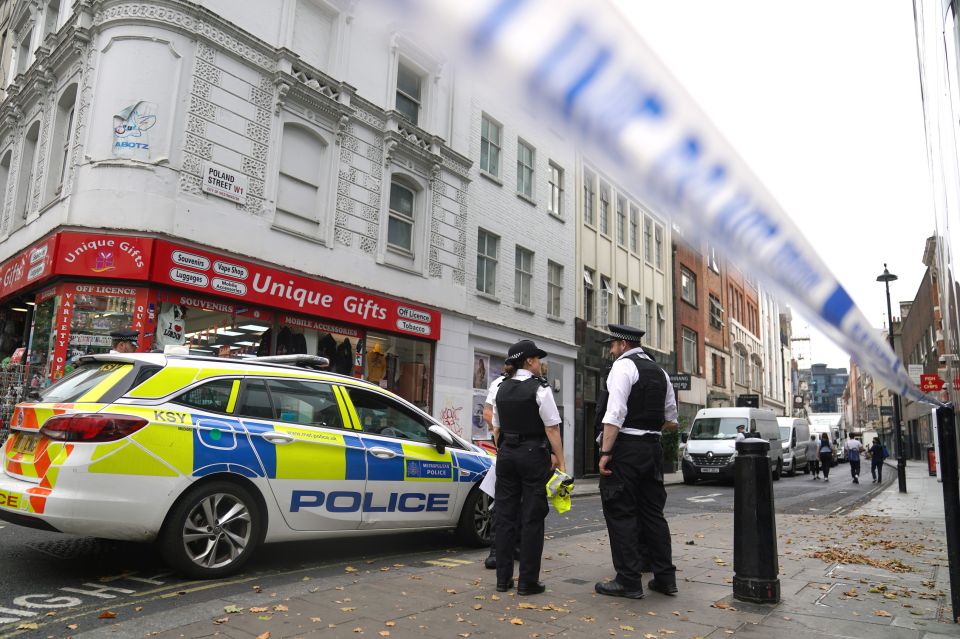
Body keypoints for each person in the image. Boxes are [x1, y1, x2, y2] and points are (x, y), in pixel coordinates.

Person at [595, 324, 678, 600]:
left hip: (627, 450)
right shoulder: (660, 372)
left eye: (612, 345)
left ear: (622, 345)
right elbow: (671, 419)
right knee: (653, 514)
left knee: (621, 512)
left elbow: (615, 413)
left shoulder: (622, 367)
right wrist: (648, 429)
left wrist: (606, 452)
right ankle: (665, 579)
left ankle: (628, 581)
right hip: (652, 449)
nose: (610, 350)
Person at [490, 339, 565, 596]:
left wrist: (505, 452)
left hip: (507, 454)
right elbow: (552, 428)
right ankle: (527, 582)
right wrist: (561, 461)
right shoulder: (540, 389)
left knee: (504, 518)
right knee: (532, 518)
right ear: (529, 361)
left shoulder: (500, 388)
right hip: (533, 454)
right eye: (538, 360)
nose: (541, 365)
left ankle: (502, 579)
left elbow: (496, 428)